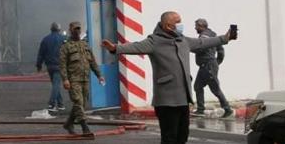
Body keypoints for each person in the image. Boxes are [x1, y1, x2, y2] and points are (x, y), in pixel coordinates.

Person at [102, 11, 237, 144]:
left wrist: (224, 38)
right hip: (166, 101)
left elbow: (202, 43)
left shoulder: (183, 40)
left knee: (182, 137)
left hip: (183, 99)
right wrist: (115, 48)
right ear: (167, 26)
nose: (181, 25)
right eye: (177, 22)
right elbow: (135, 47)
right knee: (169, 138)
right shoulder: (154, 41)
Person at [59, 21, 105, 135]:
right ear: (71, 30)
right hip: (73, 79)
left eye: (79, 29)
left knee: (81, 104)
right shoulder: (66, 47)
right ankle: (85, 128)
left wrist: (99, 75)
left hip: (85, 79)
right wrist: (65, 79)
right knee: (78, 102)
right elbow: (62, 64)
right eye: (75, 29)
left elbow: (92, 62)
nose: (77, 31)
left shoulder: (85, 45)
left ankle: (69, 123)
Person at [191, 18, 233, 118]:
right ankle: (200, 110)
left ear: (201, 26)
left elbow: (201, 49)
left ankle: (227, 109)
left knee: (215, 89)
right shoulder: (213, 34)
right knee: (198, 86)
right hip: (206, 66)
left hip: (208, 65)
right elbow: (221, 50)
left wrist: (189, 48)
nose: (195, 28)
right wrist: (217, 62)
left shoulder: (204, 36)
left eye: (196, 26)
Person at [36, 22, 66, 112]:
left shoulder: (45, 39)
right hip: (60, 65)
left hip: (50, 66)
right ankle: (52, 104)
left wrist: (39, 65)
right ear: (59, 29)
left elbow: (41, 54)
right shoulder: (64, 39)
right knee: (56, 85)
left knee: (55, 84)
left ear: (51, 29)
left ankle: (60, 104)